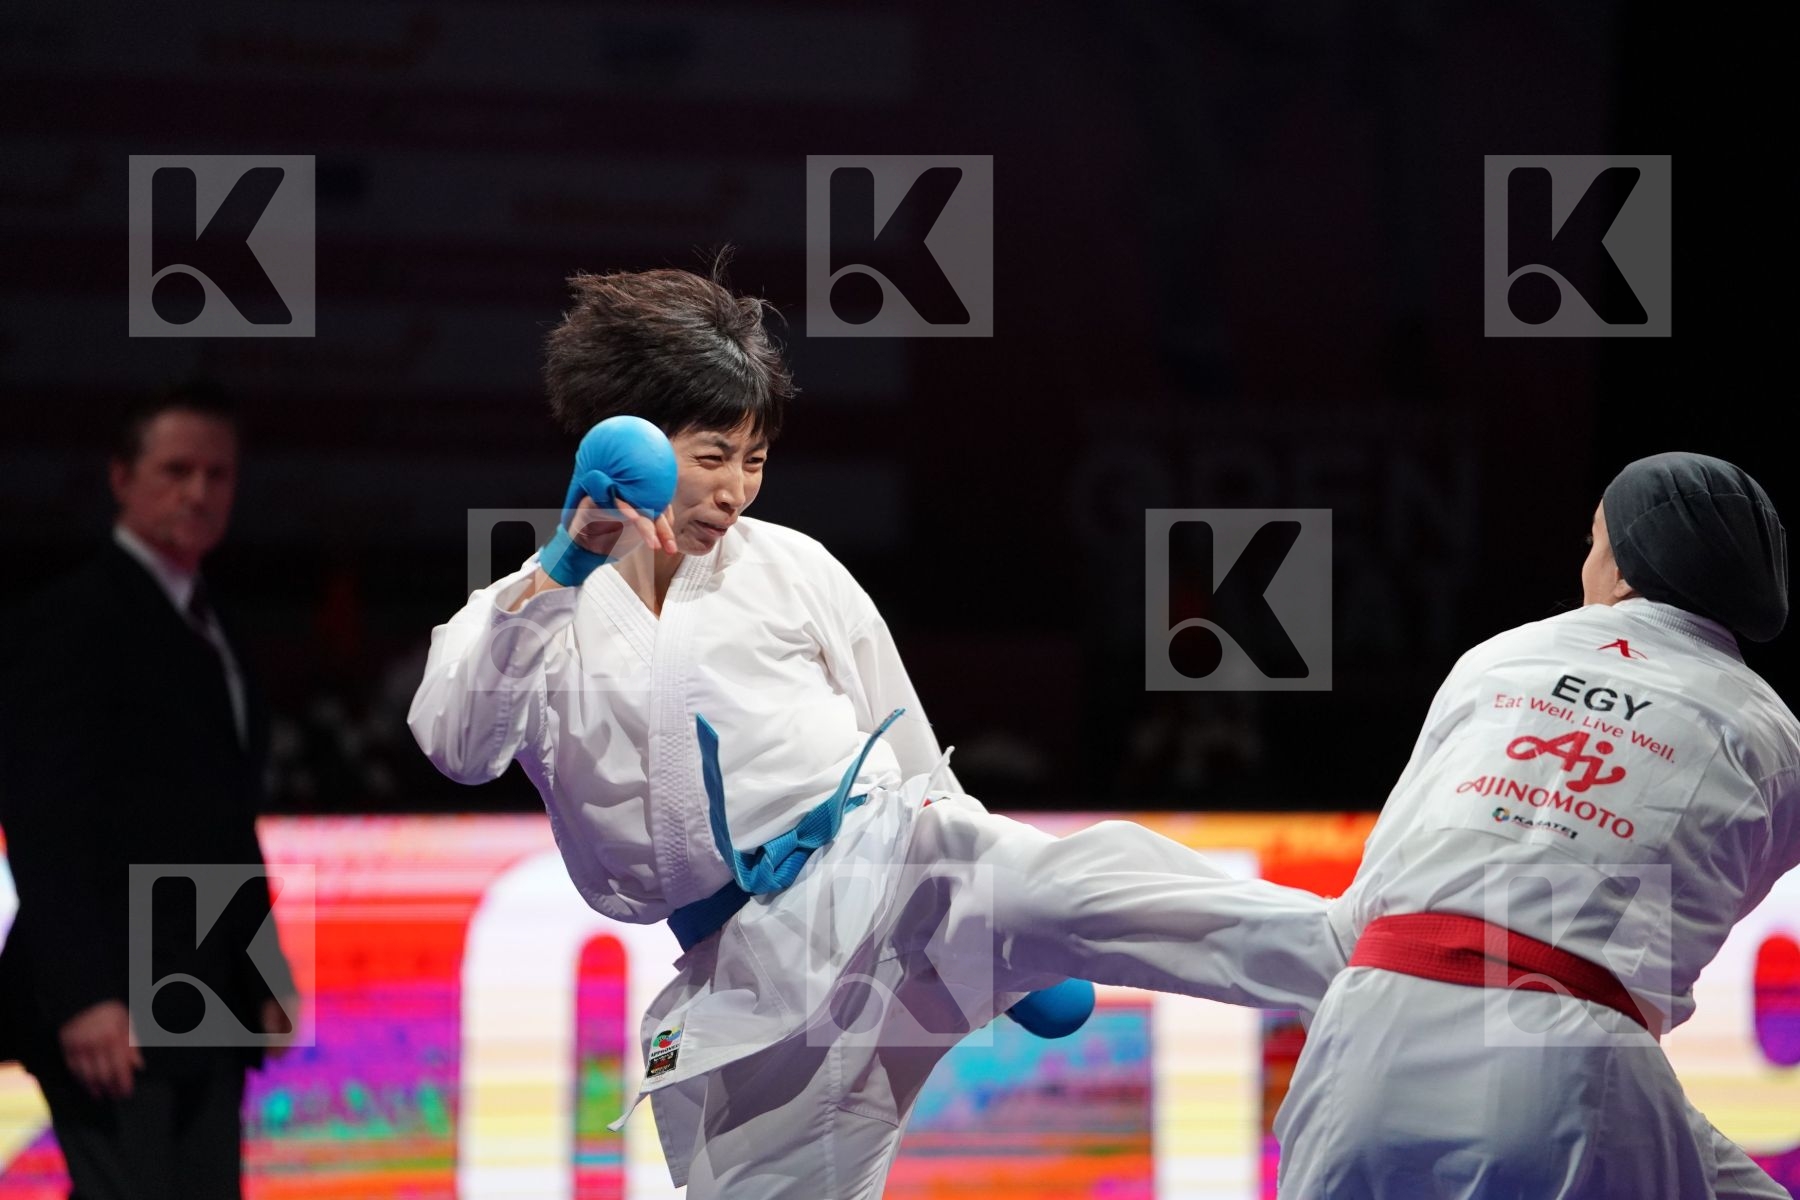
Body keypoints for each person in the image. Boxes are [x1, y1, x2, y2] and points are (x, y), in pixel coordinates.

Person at [408, 259, 1348, 1198]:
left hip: (893, 869)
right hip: (751, 984)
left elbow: (913, 761)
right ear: (629, 446)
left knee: (1083, 883)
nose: (736, 489)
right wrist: (563, 567)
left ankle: (1369, 952)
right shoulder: (528, 612)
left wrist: (1012, 962)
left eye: (756, 459)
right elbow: (457, 743)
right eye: (711, 456)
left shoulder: (792, 568)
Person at [1272, 452, 1797, 1199]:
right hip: (1581, 1061)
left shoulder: (1498, 657)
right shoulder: (1775, 737)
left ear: (1623, 571)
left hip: (1374, 1031)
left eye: (1593, 544)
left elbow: (1368, 903)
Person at [0, 383, 297, 1200]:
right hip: (113, 995)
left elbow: (224, 821)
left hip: (202, 991)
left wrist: (261, 971)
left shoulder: (218, 625)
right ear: (122, 478)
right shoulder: (71, 622)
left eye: (218, 474)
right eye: (176, 470)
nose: (199, 491)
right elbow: (44, 818)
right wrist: (85, 994)